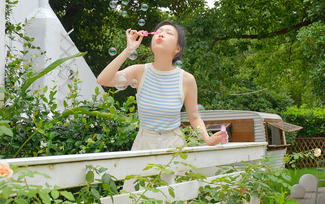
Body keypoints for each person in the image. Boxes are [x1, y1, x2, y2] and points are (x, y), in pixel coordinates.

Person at [96, 20, 227, 151]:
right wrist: (128, 50)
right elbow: (103, 79)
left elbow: (194, 118)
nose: (161, 35)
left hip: (174, 146)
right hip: (144, 144)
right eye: (158, 32)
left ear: (177, 48)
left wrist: (208, 139)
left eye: (169, 33)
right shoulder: (139, 72)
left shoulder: (186, 80)